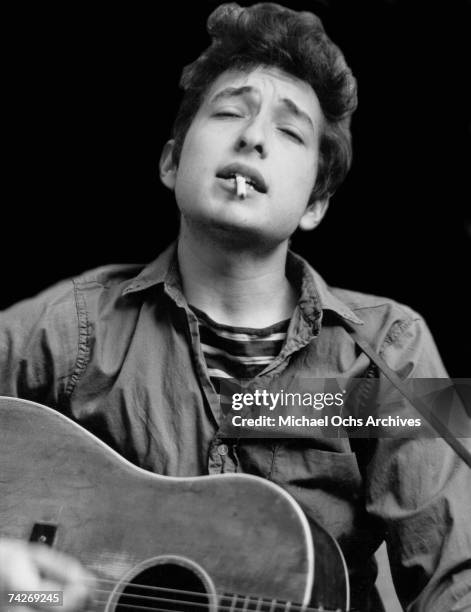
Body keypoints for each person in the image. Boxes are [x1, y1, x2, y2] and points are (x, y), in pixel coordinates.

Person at [0, 3, 470, 611]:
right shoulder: (69, 328)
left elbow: (459, 574)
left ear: (315, 206)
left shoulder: (403, 345)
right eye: (229, 113)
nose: (252, 137)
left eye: (290, 131)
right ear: (171, 162)